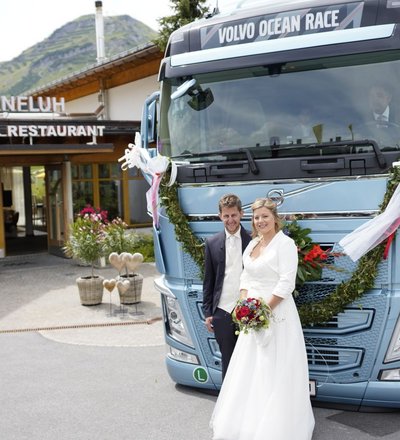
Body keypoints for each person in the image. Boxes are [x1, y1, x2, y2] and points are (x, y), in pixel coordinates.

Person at [210, 198, 315, 440]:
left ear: (275, 218)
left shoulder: (285, 244)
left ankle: (276, 427)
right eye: (257, 217)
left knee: (273, 366)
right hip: (251, 316)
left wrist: (262, 310)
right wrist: (245, 306)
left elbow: (286, 283)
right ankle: (248, 422)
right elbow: (245, 277)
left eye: (265, 216)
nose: (260, 221)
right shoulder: (253, 243)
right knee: (250, 368)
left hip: (277, 314)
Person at [203, 193, 252, 380]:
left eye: (234, 215)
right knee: (228, 360)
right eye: (226, 216)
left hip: (248, 309)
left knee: (250, 359)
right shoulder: (212, 243)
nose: (230, 220)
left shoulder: (253, 240)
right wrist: (208, 312)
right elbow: (209, 280)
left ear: (241, 214)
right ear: (220, 216)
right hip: (222, 311)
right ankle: (228, 397)